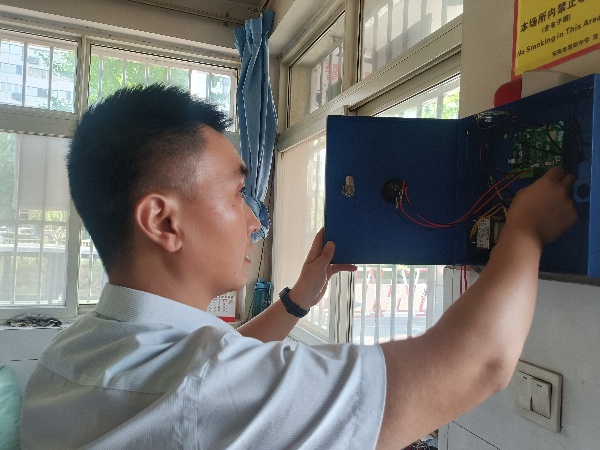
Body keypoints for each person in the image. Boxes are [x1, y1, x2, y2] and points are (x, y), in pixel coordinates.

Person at [20, 84, 577, 450]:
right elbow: (479, 363)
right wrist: (525, 232)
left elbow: (216, 363)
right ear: (163, 221)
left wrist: (297, 301)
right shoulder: (204, 385)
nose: (254, 223)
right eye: (237, 195)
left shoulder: (69, 356)